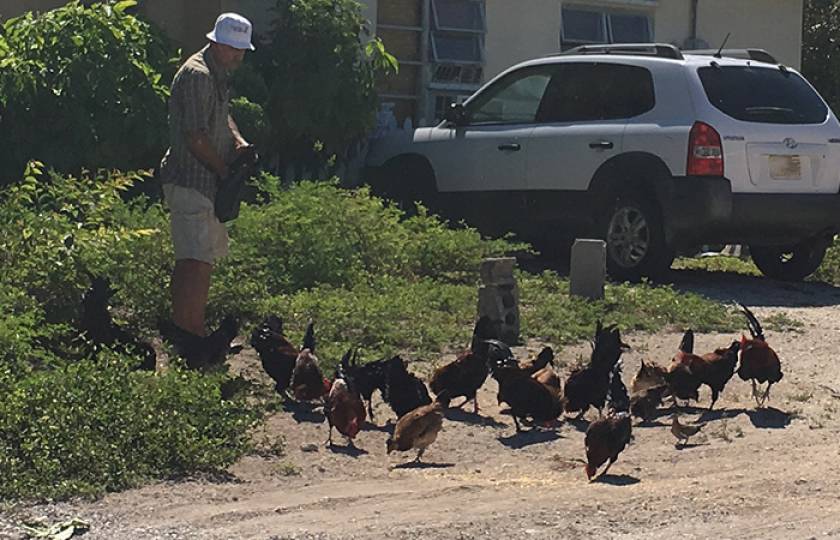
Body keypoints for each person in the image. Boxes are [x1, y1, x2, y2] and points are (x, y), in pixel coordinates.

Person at [158, 12, 254, 348]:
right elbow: (195, 137)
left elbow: (221, 116)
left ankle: (186, 335)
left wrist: (238, 142)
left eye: (242, 50)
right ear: (215, 42)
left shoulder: (217, 73)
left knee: (199, 260)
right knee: (195, 263)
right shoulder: (198, 75)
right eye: (233, 48)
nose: (239, 55)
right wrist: (226, 171)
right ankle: (191, 340)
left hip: (206, 184)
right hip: (192, 179)